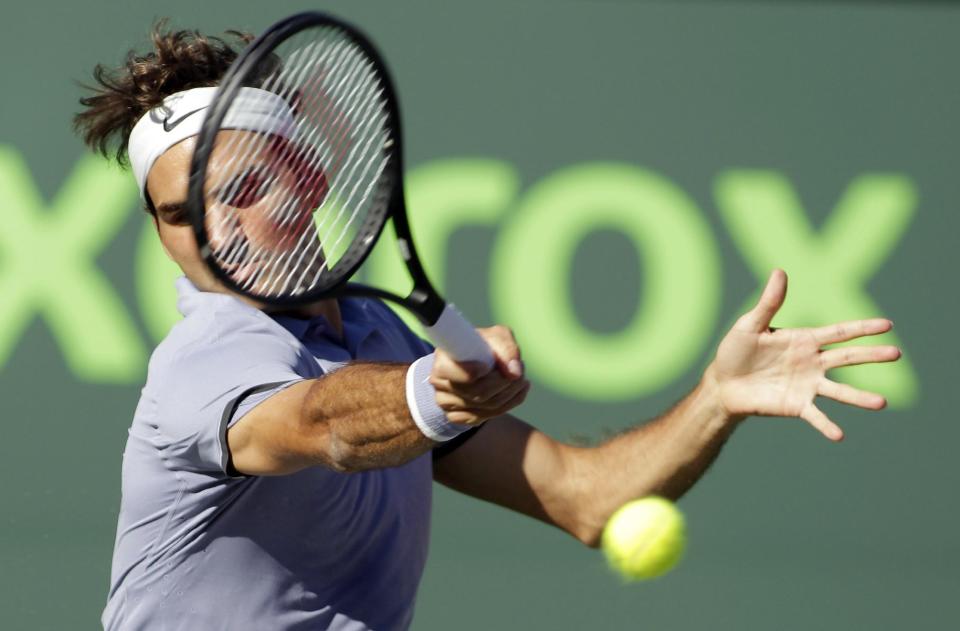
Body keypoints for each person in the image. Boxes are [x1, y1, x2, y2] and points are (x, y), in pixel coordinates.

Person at [75, 25, 901, 631]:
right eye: (181, 215)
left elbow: (589, 498)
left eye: (246, 186)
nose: (216, 233)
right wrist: (428, 397)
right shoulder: (207, 356)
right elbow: (321, 421)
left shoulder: (377, 335)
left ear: (310, 173)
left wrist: (716, 398)